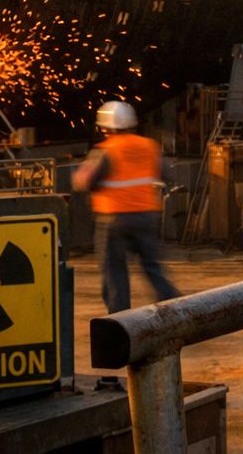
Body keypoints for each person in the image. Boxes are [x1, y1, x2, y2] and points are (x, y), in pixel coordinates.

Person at [73, 99, 180, 389]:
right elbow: (166, 175)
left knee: (116, 277)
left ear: (106, 126)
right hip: (146, 217)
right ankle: (177, 318)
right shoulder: (148, 146)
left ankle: (121, 330)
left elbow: (85, 182)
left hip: (114, 221)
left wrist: (83, 173)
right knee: (154, 270)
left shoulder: (105, 151)